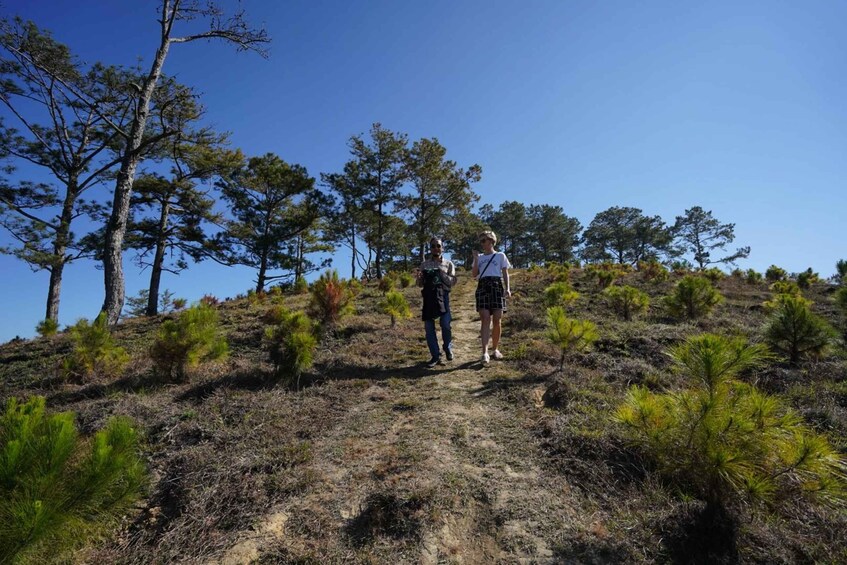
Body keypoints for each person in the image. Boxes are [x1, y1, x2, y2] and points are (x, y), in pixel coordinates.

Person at [416, 237, 457, 367]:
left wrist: (441, 274)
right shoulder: (424, 265)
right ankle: (435, 356)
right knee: (429, 328)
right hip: (428, 297)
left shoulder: (448, 264)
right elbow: (419, 284)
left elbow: (453, 282)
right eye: (433, 246)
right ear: (430, 248)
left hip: (443, 296)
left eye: (438, 246)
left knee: (445, 324)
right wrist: (419, 278)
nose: (436, 248)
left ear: (442, 248)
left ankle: (447, 347)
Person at [472, 230, 511, 364]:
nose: (482, 243)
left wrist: (508, 288)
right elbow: (474, 274)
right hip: (483, 286)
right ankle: (484, 352)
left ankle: (495, 349)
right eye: (481, 241)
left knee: (497, 320)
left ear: (491, 241)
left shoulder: (500, 255)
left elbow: (505, 273)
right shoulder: (480, 257)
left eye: (484, 240)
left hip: (496, 286)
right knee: (485, 319)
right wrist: (476, 259)